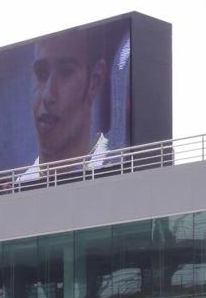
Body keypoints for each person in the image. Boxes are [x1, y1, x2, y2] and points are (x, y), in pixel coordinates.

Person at [17, 26, 126, 184]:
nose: (48, 95)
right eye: (41, 73)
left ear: (95, 80)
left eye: (66, 72)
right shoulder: (19, 187)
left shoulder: (120, 173)